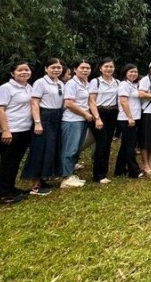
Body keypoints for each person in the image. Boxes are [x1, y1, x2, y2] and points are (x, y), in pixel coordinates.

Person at [23, 58, 64, 196]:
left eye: (59, 67)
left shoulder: (60, 83)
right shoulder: (40, 82)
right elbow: (34, 103)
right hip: (44, 116)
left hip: (57, 116)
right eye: (53, 67)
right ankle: (35, 185)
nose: (56, 70)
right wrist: (37, 122)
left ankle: (43, 179)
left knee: (51, 150)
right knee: (40, 149)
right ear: (46, 68)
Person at [0, 61, 34, 204]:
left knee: (16, 161)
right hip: (11, 130)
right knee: (7, 161)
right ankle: (4, 193)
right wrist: (5, 130)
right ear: (12, 73)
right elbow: (0, 109)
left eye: (27, 70)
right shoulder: (6, 88)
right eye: (20, 70)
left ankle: (12, 188)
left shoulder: (29, 87)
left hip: (25, 129)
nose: (24, 72)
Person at [60, 60, 93, 188]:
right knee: (70, 148)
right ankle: (66, 177)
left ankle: (71, 173)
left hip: (82, 120)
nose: (85, 70)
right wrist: (85, 114)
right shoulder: (71, 83)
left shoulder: (86, 83)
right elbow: (69, 103)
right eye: (82, 68)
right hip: (72, 120)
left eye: (88, 68)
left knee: (77, 148)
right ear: (75, 69)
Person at [88, 57, 118, 183]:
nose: (108, 69)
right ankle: (98, 175)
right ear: (100, 68)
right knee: (102, 142)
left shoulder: (117, 82)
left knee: (108, 142)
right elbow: (91, 101)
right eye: (106, 66)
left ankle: (103, 171)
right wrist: (97, 118)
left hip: (112, 112)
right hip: (99, 113)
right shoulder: (96, 82)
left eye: (111, 66)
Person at [114, 64, 144, 179]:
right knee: (130, 146)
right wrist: (129, 117)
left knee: (125, 145)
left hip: (134, 118)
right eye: (131, 71)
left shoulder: (133, 85)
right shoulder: (124, 85)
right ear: (125, 73)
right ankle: (134, 171)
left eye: (135, 72)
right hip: (126, 119)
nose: (134, 74)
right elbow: (123, 102)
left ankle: (120, 170)